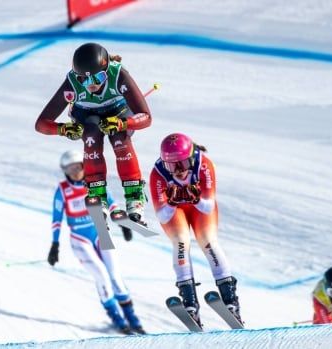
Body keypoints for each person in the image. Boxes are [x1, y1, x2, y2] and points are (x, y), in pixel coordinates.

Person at [35, 42, 152, 225]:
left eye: (98, 77)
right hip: (87, 115)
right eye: (85, 79)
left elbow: (146, 118)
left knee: (119, 138)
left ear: (106, 70)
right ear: (77, 76)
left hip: (119, 111)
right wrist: (62, 129)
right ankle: (97, 194)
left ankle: (134, 196)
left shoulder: (119, 75)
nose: (92, 84)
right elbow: (41, 124)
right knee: (91, 135)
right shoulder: (72, 82)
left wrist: (123, 123)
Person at [149, 133, 243, 327]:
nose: (177, 171)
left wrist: (195, 198)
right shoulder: (157, 173)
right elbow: (162, 216)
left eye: (182, 165)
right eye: (171, 166)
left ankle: (230, 299)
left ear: (192, 158)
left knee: (208, 241)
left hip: (200, 208)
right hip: (175, 211)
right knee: (181, 242)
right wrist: (173, 202)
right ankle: (189, 301)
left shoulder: (204, 165)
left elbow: (208, 206)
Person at [46, 150, 144, 334]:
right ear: (64, 171)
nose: (75, 172)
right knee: (102, 276)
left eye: (77, 167)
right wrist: (55, 245)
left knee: (115, 277)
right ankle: (117, 318)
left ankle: (133, 320)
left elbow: (112, 203)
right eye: (69, 169)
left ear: (84, 165)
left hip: (101, 233)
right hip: (80, 239)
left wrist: (122, 223)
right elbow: (56, 219)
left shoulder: (94, 184)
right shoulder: (62, 190)